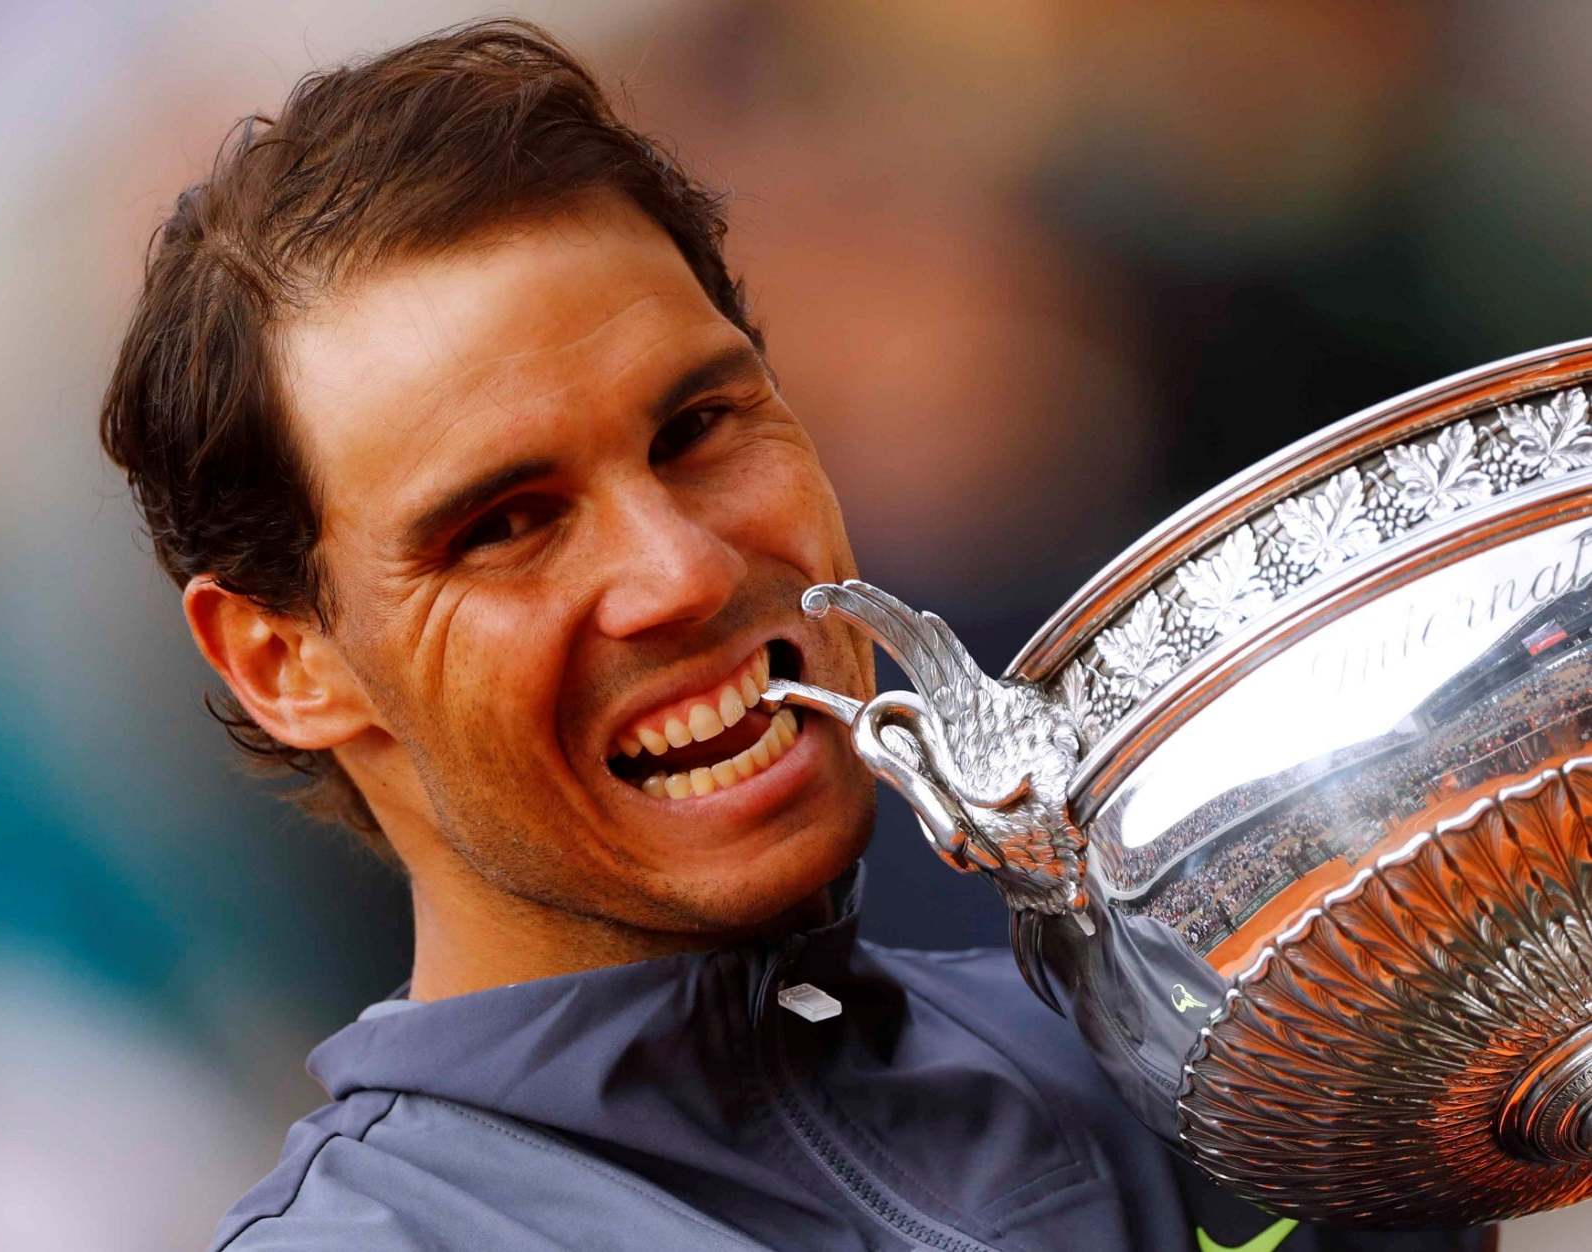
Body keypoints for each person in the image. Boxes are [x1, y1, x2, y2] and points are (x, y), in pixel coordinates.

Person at [100, 20, 1494, 1252]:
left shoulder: (1192, 1061)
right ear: (284, 665)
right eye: (504, 526)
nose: (681, 572)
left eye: (698, 429)